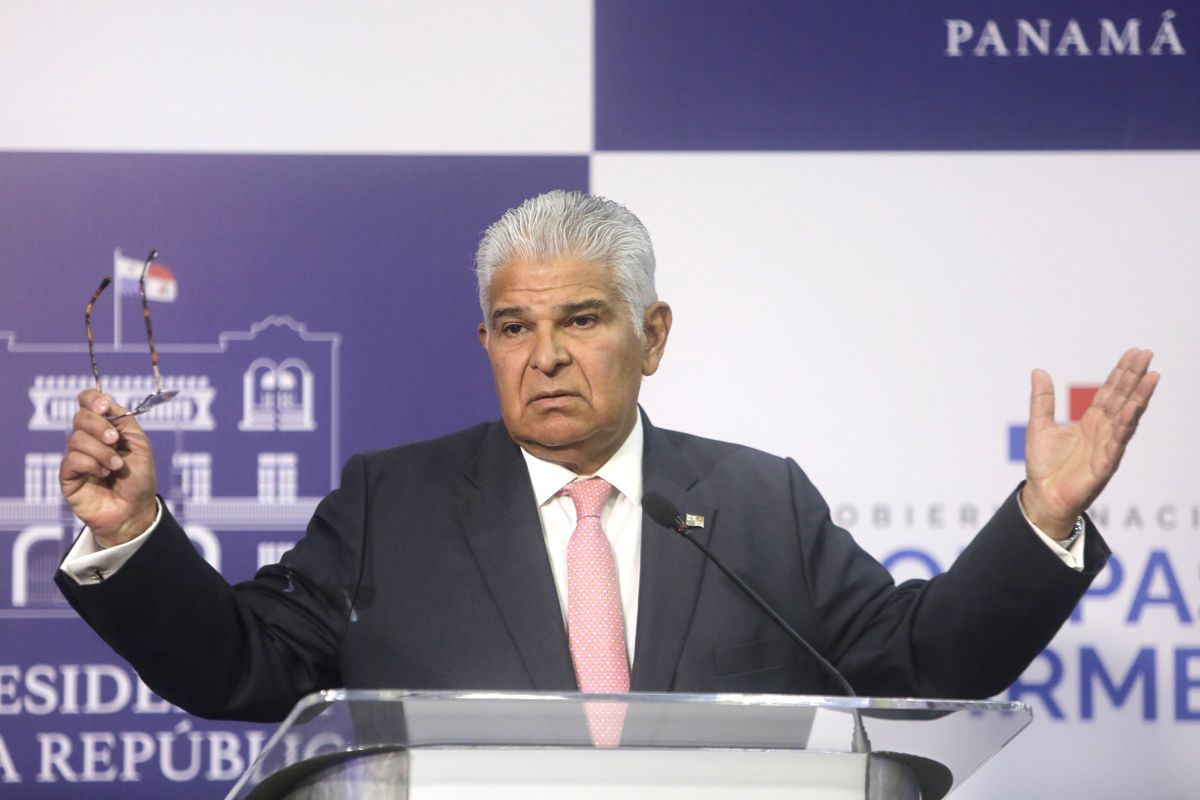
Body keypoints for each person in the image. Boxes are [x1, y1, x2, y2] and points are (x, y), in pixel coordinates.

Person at [57, 191, 1159, 724]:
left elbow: (923, 665)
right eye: (513, 327)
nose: (544, 356)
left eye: (581, 320)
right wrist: (133, 533)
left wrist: (1042, 516)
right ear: (486, 341)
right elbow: (240, 664)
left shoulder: (757, 500)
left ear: (653, 335)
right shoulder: (392, 502)